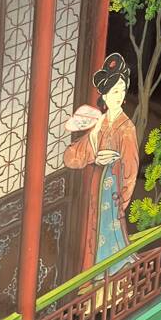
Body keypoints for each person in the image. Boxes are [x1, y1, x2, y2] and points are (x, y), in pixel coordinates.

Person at [64, 53, 139, 274]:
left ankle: (115, 286)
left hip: (114, 190)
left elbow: (131, 168)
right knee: (92, 238)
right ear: (104, 95)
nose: (119, 95)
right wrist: (94, 156)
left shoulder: (127, 128)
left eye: (122, 90)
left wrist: (121, 200)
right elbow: (72, 156)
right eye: (115, 90)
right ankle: (95, 288)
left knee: (112, 239)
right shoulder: (98, 124)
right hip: (96, 188)